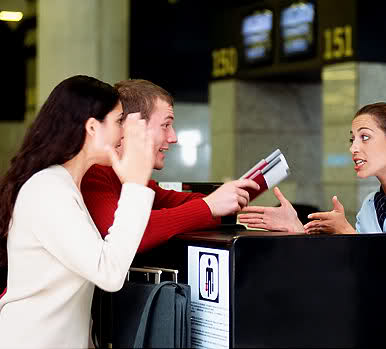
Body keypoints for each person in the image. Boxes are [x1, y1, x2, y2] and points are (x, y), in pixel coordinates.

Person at [239, 102, 386, 348]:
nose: (354, 148)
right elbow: (349, 277)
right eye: (352, 140)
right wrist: (297, 232)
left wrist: (349, 234)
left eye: (365, 137)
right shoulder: (371, 206)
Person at [0, 75, 159, 348]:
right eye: (119, 120)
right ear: (93, 127)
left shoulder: (63, 185)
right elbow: (108, 272)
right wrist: (134, 185)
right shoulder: (47, 189)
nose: (124, 132)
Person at [81, 79, 259, 253]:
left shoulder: (127, 178)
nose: (173, 137)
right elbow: (130, 235)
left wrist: (231, 203)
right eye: (165, 125)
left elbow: (179, 204)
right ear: (132, 125)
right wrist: (208, 206)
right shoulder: (93, 173)